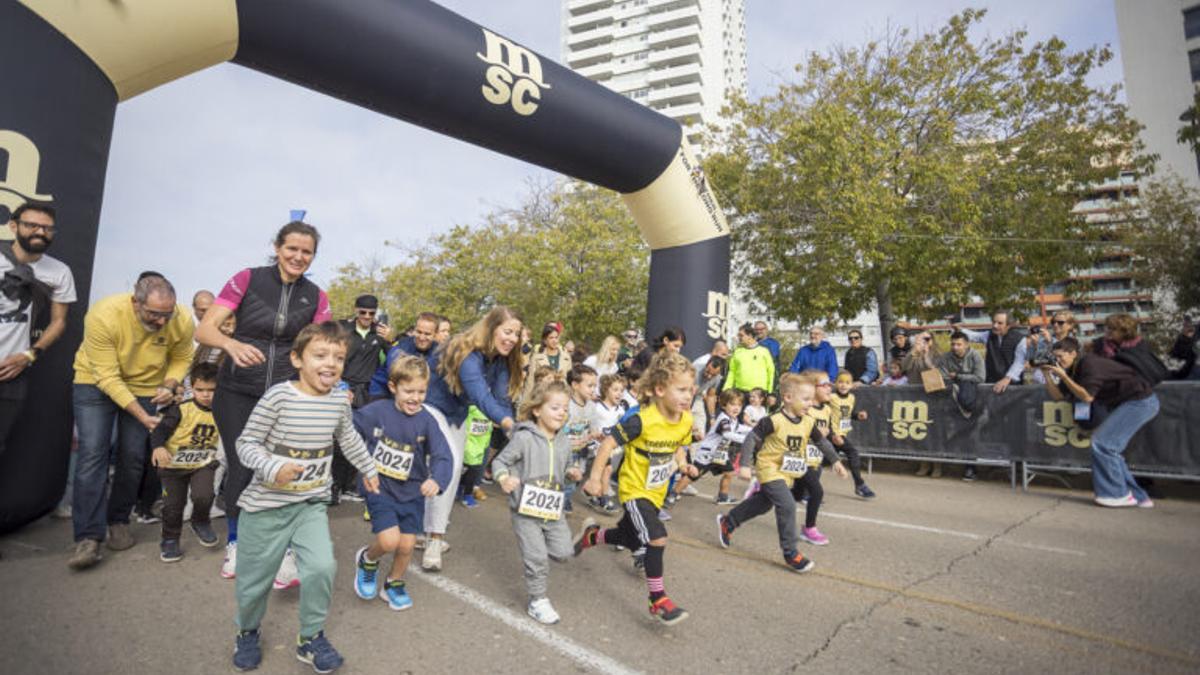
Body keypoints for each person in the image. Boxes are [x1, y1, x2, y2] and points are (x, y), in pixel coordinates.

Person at [231, 321, 381, 672]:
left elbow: (349, 439)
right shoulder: (279, 396)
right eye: (321, 355)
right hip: (266, 506)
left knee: (322, 567)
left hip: (310, 504)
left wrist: (369, 468)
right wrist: (271, 468)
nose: (331, 363)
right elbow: (246, 443)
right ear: (297, 359)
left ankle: (310, 638)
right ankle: (247, 631)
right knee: (255, 581)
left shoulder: (338, 402)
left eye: (339, 357)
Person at [196, 220, 332, 581]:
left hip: (286, 397)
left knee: (285, 469)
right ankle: (238, 546)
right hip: (237, 391)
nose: (298, 257)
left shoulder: (317, 296)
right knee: (244, 467)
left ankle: (283, 550)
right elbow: (204, 329)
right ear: (277, 247)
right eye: (292, 249)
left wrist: (327, 385)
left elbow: (321, 347)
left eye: (307, 252)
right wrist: (231, 344)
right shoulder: (248, 279)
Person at [68, 274, 193, 570]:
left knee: (134, 457)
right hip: (95, 383)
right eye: (153, 314)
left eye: (167, 314)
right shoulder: (104, 314)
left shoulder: (182, 318)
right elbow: (108, 377)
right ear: (135, 302)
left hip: (146, 385)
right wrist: (141, 414)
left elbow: (182, 355)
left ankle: (119, 520)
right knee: (93, 454)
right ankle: (88, 537)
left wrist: (171, 382)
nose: (162, 322)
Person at [576, 352, 700, 626]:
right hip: (634, 490)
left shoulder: (686, 420)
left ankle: (592, 536)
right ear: (659, 389)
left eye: (690, 390)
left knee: (630, 537)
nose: (687, 395)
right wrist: (596, 478)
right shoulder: (641, 420)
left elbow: (680, 445)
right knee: (656, 537)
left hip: (656, 491)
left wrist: (682, 464)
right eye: (681, 389)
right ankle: (658, 599)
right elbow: (608, 444)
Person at [421, 306, 524, 571]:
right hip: (432, 407)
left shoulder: (501, 361)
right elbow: (480, 395)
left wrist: (517, 428)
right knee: (450, 466)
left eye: (517, 334)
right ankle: (434, 539)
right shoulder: (468, 352)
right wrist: (507, 423)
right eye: (508, 331)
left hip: (457, 413)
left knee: (451, 473)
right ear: (492, 328)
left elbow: (501, 399)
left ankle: (425, 528)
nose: (512, 339)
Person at [715, 373, 847, 572]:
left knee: (763, 504)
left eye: (811, 399)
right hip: (769, 468)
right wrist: (743, 465)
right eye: (805, 399)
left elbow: (822, 442)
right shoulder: (773, 420)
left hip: (787, 472)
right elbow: (751, 438)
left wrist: (836, 460)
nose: (810, 403)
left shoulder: (808, 422)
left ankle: (729, 521)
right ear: (787, 398)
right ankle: (791, 552)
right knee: (787, 505)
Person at [352, 355, 453, 611]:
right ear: (393, 387)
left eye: (421, 391)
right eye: (409, 391)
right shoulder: (376, 411)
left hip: (412, 491)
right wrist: (340, 406)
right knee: (389, 541)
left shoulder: (428, 420)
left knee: (407, 545)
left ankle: (393, 583)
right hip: (380, 487)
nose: (415, 398)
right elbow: (349, 428)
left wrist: (437, 479)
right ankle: (368, 559)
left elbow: (443, 454)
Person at [492, 380, 585, 624]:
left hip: (553, 510)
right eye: (555, 408)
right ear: (537, 410)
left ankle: (551, 553)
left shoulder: (564, 441)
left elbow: (564, 468)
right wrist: (504, 478)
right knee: (537, 558)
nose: (561, 413)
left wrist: (573, 472)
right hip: (525, 510)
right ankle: (538, 600)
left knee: (564, 553)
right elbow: (500, 461)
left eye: (565, 409)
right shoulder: (524, 438)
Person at [1040, 337, 1158, 508]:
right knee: (1110, 450)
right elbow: (1058, 396)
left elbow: (1087, 396)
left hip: (1140, 401)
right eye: (1054, 358)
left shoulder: (1088, 363)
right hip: (1130, 403)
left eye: (1060, 356)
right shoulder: (1073, 370)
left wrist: (1064, 377)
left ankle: (1116, 494)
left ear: (1073, 353)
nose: (1057, 361)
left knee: (1102, 443)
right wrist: (1046, 374)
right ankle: (1138, 496)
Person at [1, 201, 75, 460]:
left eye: (47, 228)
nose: (40, 232)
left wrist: (29, 356)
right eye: (32, 225)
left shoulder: (60, 272)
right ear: (13, 226)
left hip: (11, 370)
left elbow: (59, 322)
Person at [149, 361, 221, 563]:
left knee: (204, 496)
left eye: (212, 390)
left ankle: (200, 521)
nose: (206, 395)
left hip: (202, 463)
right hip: (173, 467)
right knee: (173, 506)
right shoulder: (180, 409)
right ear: (191, 387)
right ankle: (170, 539)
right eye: (200, 390)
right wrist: (158, 447)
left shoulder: (223, 410)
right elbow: (160, 431)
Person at [791, 370, 851, 544]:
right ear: (812, 388)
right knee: (817, 492)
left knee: (795, 494)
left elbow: (826, 432)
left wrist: (833, 436)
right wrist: (816, 434)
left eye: (829, 384)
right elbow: (796, 431)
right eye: (824, 384)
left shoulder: (826, 409)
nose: (829, 387)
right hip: (801, 458)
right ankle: (809, 529)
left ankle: (763, 489)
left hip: (815, 459)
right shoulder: (805, 409)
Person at [680, 388, 750, 505]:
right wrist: (747, 439)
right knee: (694, 475)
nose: (736, 408)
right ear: (723, 405)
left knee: (729, 473)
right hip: (707, 453)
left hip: (719, 454)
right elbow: (728, 434)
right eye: (732, 404)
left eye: (739, 405)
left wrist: (755, 431)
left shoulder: (733, 420)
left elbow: (740, 429)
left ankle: (723, 497)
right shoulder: (724, 420)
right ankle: (673, 494)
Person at [369, 311, 439, 401]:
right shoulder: (401, 346)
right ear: (414, 330)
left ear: (435, 335)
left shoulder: (440, 353)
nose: (422, 337)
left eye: (427, 334)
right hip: (383, 393)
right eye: (419, 332)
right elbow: (400, 377)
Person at [829, 371, 875, 499]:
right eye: (841, 382)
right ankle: (860, 485)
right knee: (815, 461)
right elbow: (824, 416)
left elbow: (847, 414)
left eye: (847, 382)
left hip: (841, 435)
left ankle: (859, 485)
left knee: (821, 461)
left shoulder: (851, 398)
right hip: (831, 435)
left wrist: (857, 416)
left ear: (852, 385)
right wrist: (832, 435)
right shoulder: (831, 398)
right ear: (836, 383)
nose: (843, 385)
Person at [585, 373, 626, 513]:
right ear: (606, 390)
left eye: (621, 390)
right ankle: (603, 497)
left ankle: (593, 494)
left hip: (611, 446)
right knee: (607, 469)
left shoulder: (621, 409)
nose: (619, 393)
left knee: (607, 469)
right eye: (615, 390)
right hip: (597, 444)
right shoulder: (597, 407)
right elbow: (591, 424)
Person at [939, 331, 986, 418]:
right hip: (949, 393)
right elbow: (943, 377)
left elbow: (980, 378)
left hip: (971, 390)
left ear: (966, 345)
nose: (955, 347)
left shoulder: (975, 355)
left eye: (958, 344)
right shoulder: (945, 357)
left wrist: (958, 376)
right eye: (953, 344)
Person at [722, 323, 774, 394]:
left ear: (749, 336)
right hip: (740, 392)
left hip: (759, 394)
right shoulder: (737, 352)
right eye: (738, 335)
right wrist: (726, 389)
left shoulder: (764, 351)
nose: (739, 338)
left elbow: (771, 372)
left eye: (741, 335)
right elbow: (732, 372)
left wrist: (770, 391)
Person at [524, 322, 572, 398]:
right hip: (543, 398)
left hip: (562, 397)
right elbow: (530, 382)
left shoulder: (566, 357)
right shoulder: (536, 358)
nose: (554, 340)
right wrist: (526, 404)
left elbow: (570, 382)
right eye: (551, 338)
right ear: (545, 340)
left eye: (556, 337)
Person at [459, 405, 492, 508]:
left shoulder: (486, 410)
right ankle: (467, 496)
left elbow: (487, 431)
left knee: (469, 471)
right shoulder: (473, 409)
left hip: (476, 446)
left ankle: (460, 490)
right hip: (472, 446)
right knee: (472, 472)